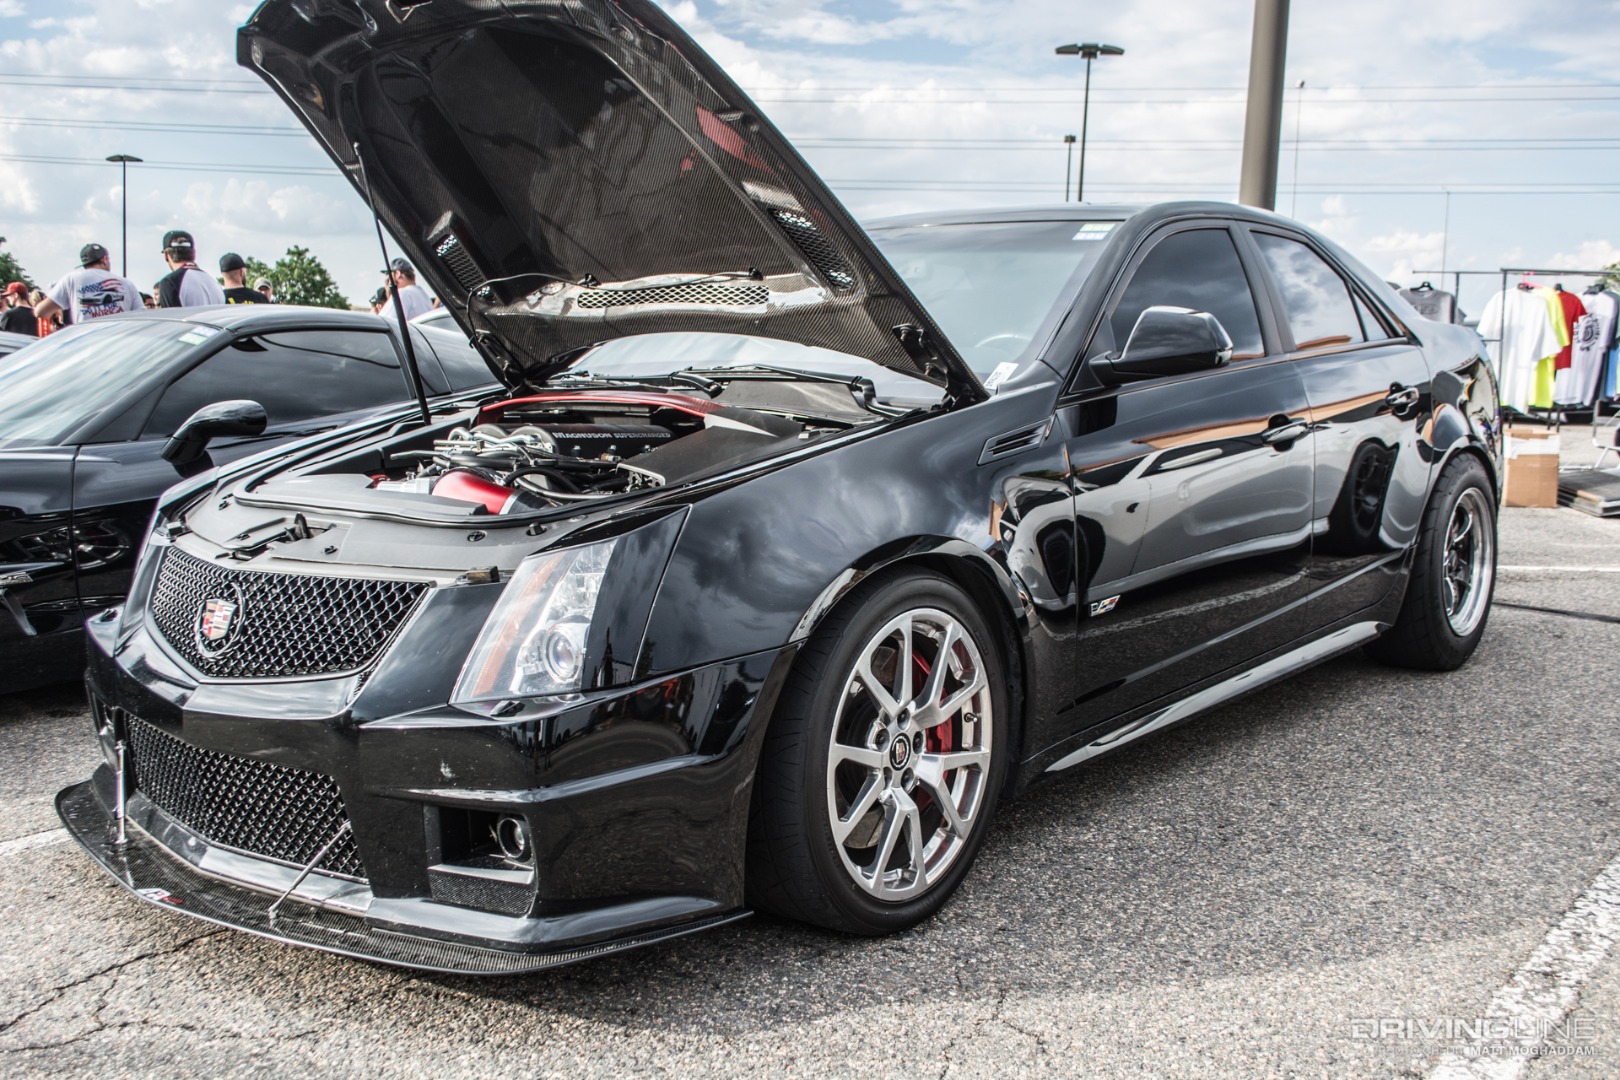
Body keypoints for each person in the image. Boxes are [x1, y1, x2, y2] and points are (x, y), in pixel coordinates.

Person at [35, 243, 142, 327]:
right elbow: (141, 317)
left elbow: (40, 312)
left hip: (87, 346)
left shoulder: (72, 279)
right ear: (104, 260)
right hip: (119, 348)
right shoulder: (127, 284)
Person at [156, 230, 225, 308]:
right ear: (194, 253)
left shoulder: (170, 282)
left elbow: (171, 318)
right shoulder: (213, 282)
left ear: (166, 254)